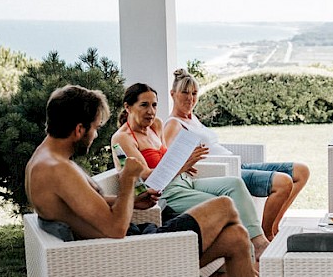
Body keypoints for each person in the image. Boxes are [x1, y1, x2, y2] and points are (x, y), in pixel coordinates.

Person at [25, 84, 263, 277]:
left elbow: (86, 206)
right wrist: (128, 180)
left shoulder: (45, 161)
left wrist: (132, 200)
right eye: (93, 128)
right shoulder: (58, 170)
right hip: (136, 257)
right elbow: (115, 229)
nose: (94, 135)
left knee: (236, 237)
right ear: (79, 129)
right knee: (225, 205)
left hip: (133, 247)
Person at [110, 83, 271, 260]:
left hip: (184, 180)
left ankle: (259, 242)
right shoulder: (122, 138)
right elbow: (147, 176)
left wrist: (184, 158)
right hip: (166, 193)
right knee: (221, 205)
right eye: (144, 105)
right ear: (128, 107)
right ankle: (245, 255)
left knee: (235, 183)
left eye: (154, 105)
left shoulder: (156, 125)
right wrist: (183, 165)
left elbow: (165, 156)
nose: (151, 111)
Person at [164, 68, 310, 239]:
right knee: (283, 182)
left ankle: (274, 228)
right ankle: (265, 234)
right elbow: (165, 155)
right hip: (227, 173)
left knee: (301, 171)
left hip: (238, 164)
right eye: (185, 92)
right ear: (173, 94)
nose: (190, 98)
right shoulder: (173, 123)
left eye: (194, 93)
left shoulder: (192, 118)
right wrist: (185, 163)